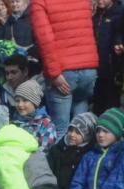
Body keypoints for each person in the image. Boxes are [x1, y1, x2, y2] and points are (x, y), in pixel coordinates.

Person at [28, 0, 97, 136]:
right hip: (88, 67)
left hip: (63, 71)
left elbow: (45, 39)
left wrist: (54, 73)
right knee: (81, 129)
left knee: (61, 129)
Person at [48, 111, 96, 189]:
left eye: (78, 132)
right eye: (70, 130)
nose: (72, 134)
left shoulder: (88, 156)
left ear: (87, 135)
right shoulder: (56, 150)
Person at [92, 0, 124, 114]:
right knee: (96, 105)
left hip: (111, 67)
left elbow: (120, 35)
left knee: (110, 105)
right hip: (95, 67)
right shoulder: (95, 13)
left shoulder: (119, 13)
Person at [10, 79, 56, 151]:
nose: (20, 104)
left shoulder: (46, 124)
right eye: (17, 101)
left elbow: (44, 149)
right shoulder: (13, 122)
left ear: (35, 103)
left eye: (25, 100)